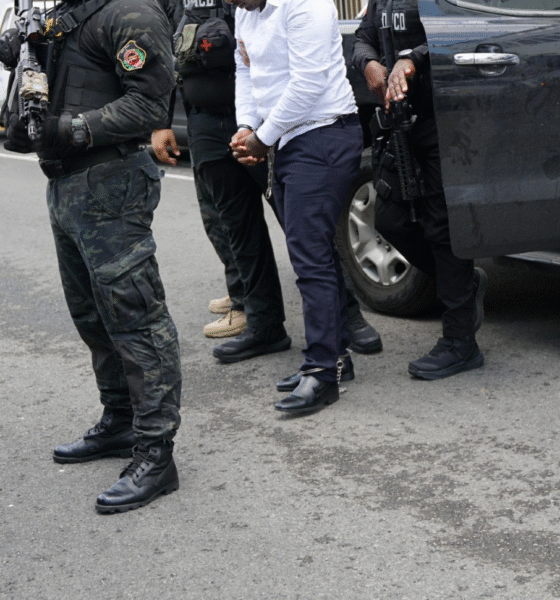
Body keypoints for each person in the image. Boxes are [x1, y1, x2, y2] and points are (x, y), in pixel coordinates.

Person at [1, 0, 182, 512]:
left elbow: (149, 105)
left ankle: (156, 453)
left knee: (136, 320)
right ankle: (120, 421)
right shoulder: (66, 13)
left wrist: (71, 129)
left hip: (111, 182)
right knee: (92, 316)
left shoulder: (130, 11)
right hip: (67, 186)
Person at [152, 0, 384, 363]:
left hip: (271, 121)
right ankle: (264, 324)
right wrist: (162, 120)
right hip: (208, 120)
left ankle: (346, 319)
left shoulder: (269, 7)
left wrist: (259, 131)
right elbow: (167, 50)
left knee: (305, 228)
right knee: (237, 227)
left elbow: (273, 63)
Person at [228, 0, 364, 413]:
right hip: (286, 137)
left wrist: (263, 137)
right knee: (312, 252)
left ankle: (322, 372)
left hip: (323, 134)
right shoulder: (245, 10)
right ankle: (335, 357)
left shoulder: (307, 5)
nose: (233, 4)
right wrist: (247, 125)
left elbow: (308, 83)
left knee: (310, 256)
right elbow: (245, 70)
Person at [352, 0, 486, 380]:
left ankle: (460, 343)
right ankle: (463, 284)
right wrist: (369, 63)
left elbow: (464, 29)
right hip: (399, 122)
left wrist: (412, 60)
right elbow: (362, 37)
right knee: (389, 220)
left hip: (444, 116)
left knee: (442, 228)